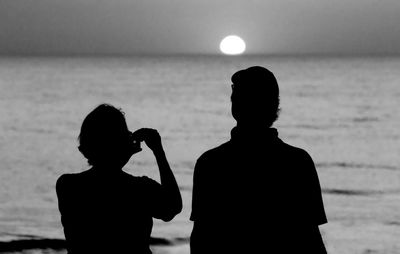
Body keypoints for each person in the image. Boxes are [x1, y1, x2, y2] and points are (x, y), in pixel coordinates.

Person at [190, 66, 327, 253]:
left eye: (240, 97)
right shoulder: (297, 161)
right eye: (236, 97)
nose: (237, 101)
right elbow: (311, 238)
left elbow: (201, 238)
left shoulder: (211, 162)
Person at [56, 104, 182, 254]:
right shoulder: (140, 189)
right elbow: (172, 207)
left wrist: (122, 152)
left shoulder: (68, 185)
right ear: (120, 144)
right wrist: (158, 151)